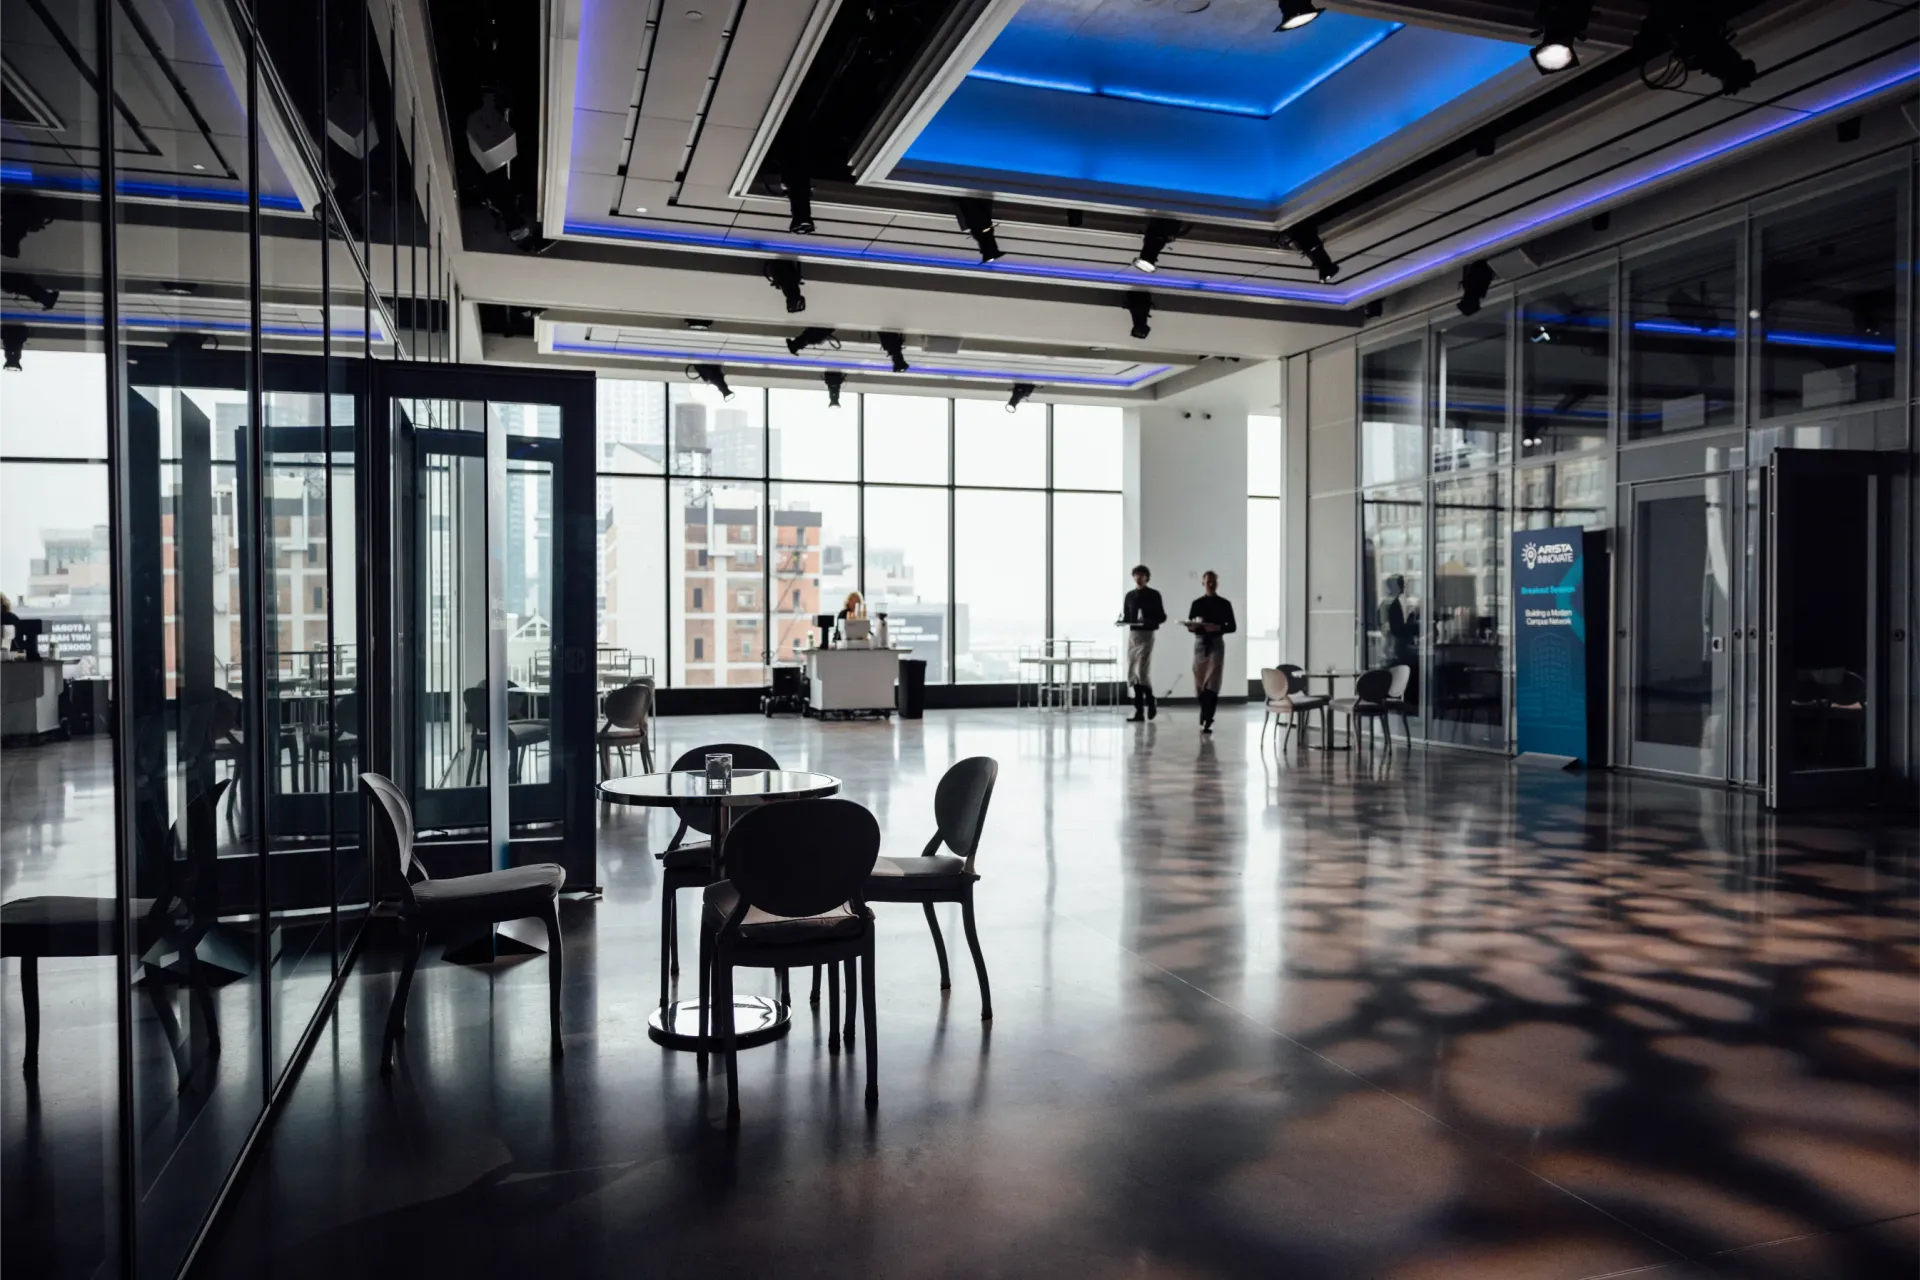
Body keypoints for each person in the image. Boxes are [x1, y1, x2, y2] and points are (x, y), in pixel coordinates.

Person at [1184, 570, 1236, 734]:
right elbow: (1191, 624)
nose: (1211, 584)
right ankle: (1204, 710)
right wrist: (1193, 627)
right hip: (1200, 644)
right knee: (1199, 682)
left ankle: (1208, 718)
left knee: (1213, 681)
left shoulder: (1224, 603)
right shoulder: (1197, 603)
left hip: (1216, 643)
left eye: (1214, 581)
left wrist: (1218, 627)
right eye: (1208, 581)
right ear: (1203, 583)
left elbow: (1232, 626)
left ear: (1217, 583)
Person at [1116, 564, 1165, 721]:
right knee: (1133, 674)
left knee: (1142, 672)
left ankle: (1151, 701)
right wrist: (1122, 621)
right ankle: (1138, 711)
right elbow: (1127, 616)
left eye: (1141, 575)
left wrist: (1148, 621)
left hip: (1147, 634)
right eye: (1136, 575)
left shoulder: (1154, 595)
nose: (1138, 577)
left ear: (1146, 577)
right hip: (1133, 635)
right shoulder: (1129, 596)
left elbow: (1162, 616)